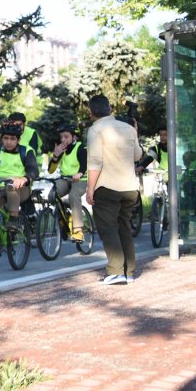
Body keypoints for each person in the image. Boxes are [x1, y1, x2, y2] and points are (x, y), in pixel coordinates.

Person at [84, 94, 143, 285]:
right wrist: (135, 133)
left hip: (107, 186)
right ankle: (129, 272)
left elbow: (95, 162)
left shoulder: (95, 130)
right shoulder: (128, 128)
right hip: (130, 187)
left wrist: (90, 188)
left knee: (108, 228)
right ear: (110, 109)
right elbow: (137, 156)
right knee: (124, 227)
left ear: (91, 112)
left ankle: (115, 271)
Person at [47, 124, 87, 243]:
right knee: (51, 196)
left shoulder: (80, 147)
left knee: (74, 196)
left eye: (66, 137)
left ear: (74, 137)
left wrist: (80, 173)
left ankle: (78, 230)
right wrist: (55, 155)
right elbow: (51, 170)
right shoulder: (61, 149)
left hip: (80, 179)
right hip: (65, 179)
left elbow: (84, 162)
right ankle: (65, 219)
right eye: (61, 137)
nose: (63, 140)